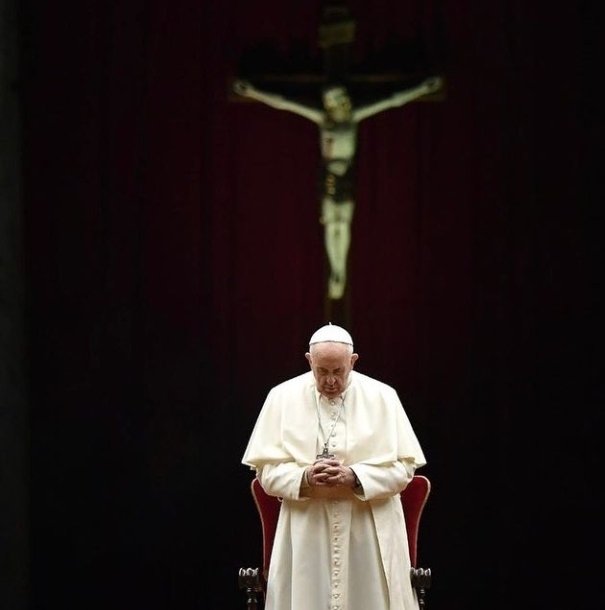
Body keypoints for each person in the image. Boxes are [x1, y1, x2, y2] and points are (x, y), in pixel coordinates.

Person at [241, 323, 427, 610]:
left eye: (338, 371)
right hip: (306, 530)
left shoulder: (383, 397)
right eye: (322, 372)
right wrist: (304, 476)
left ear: (352, 362)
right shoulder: (281, 397)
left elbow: (404, 470)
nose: (330, 381)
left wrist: (355, 476)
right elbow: (265, 473)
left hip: (368, 530)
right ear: (309, 361)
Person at [233, 77, 443, 300]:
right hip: (330, 177)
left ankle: (340, 269)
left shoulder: (353, 119)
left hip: (347, 178)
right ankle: (335, 269)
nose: (329, 106)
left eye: (332, 101)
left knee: (343, 224)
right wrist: (254, 92)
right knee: (331, 224)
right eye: (327, 102)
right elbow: (285, 103)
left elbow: (391, 101)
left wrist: (420, 88)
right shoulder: (323, 121)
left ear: (342, 101)